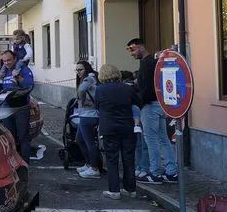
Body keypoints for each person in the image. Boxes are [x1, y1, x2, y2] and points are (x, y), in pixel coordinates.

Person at [127, 38, 177, 184]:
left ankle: (155, 173)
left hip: (149, 106)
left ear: (141, 47)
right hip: (160, 104)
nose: (131, 53)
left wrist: (138, 100)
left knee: (152, 141)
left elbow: (146, 89)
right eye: (129, 50)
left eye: (132, 49)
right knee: (163, 139)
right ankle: (171, 172)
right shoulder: (154, 63)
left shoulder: (146, 64)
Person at [95, 64, 141, 200]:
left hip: (109, 127)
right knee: (129, 159)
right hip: (127, 126)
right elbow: (138, 102)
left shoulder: (100, 89)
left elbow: (97, 105)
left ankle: (114, 190)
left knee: (112, 159)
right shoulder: (127, 88)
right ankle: (130, 189)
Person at [0, 50, 34, 162]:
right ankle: (12, 162)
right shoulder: (3, 71)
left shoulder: (23, 70)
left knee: (23, 137)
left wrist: (18, 77)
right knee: (9, 137)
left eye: (9, 60)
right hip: (6, 108)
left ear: (15, 59)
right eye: (4, 61)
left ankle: (24, 163)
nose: (7, 63)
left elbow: (30, 86)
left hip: (21, 108)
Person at [74, 61, 101, 179]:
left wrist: (81, 101)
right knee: (79, 140)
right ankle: (89, 164)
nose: (78, 72)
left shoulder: (89, 78)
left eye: (80, 69)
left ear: (87, 69)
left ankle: (94, 168)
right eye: (77, 70)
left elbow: (81, 90)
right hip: (87, 114)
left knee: (89, 142)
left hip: (89, 115)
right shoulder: (92, 78)